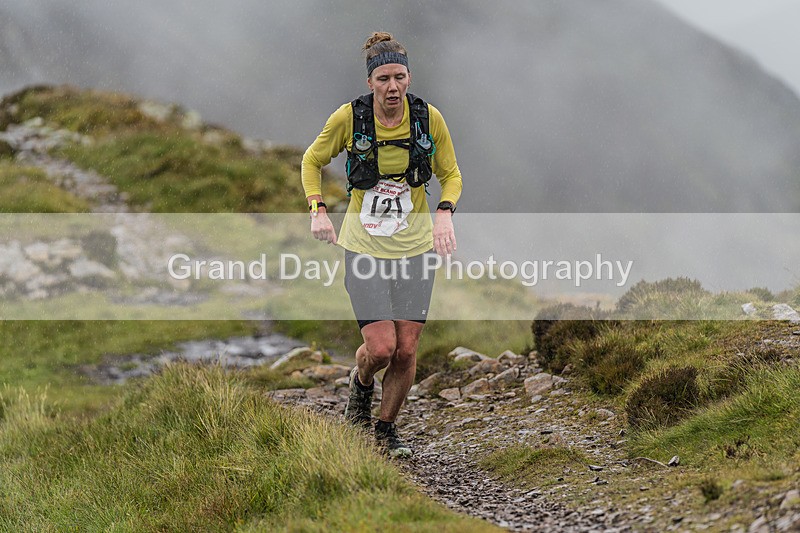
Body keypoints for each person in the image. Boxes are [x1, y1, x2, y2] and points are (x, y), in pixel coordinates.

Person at [301, 31, 463, 457]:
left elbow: (452, 174)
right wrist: (317, 209)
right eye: (383, 79)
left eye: (400, 77)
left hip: (415, 249)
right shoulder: (349, 119)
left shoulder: (428, 118)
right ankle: (362, 381)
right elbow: (312, 161)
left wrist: (444, 212)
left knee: (407, 349)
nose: (393, 87)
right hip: (364, 247)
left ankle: (385, 430)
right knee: (381, 348)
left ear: (409, 77)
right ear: (370, 81)